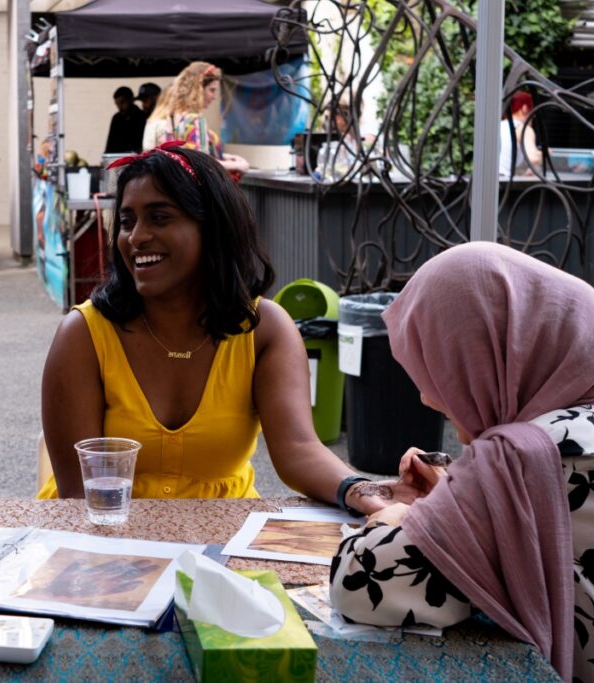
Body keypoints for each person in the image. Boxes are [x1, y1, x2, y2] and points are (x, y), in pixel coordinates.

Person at [38, 143, 415, 513]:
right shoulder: (84, 333)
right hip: (108, 540)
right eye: (127, 221)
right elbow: (77, 496)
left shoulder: (265, 329)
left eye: (160, 217)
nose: (136, 237)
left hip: (223, 546)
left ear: (212, 227)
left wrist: (360, 489)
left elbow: (298, 448)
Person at [328, 242, 594, 682]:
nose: (428, 396)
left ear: (491, 355)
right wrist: (457, 497)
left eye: (441, 365)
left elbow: (358, 585)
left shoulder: (517, 460)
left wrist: (394, 517)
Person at [143, 62, 249, 176]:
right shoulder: (195, 120)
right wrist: (238, 165)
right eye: (212, 90)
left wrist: (224, 157)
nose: (214, 97)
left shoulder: (174, 118)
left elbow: (188, 154)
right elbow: (202, 164)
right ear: (198, 89)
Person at [499, 91, 543, 177]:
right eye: (533, 112)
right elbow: (534, 158)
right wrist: (546, 153)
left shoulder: (499, 126)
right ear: (525, 108)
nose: (533, 117)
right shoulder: (523, 129)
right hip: (503, 185)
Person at [104, 86, 147, 154]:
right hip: (118, 158)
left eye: (122, 102)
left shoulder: (142, 117)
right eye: (117, 104)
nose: (120, 107)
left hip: (138, 157)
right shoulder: (116, 118)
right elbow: (111, 142)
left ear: (131, 100)